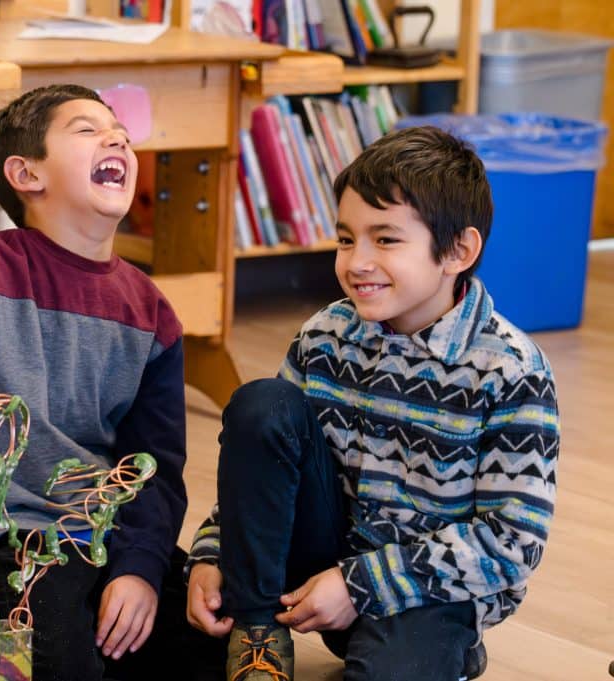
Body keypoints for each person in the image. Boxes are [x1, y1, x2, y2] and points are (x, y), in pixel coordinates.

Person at [0, 83, 223, 681]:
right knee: (54, 668)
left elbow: (155, 464)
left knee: (212, 650)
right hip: (1, 531)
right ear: (25, 174)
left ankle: (62, 624)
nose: (117, 140)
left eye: (121, 135)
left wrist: (138, 570)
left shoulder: (151, 311)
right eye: (86, 129)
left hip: (96, 530)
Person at [185, 126, 560, 681]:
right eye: (345, 239)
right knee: (262, 404)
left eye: (384, 240)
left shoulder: (511, 370)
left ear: (458, 250)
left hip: (427, 592)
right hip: (319, 563)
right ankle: (259, 632)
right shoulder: (324, 335)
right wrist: (214, 553)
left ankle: (449, 650)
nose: (356, 261)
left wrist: (361, 586)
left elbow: (511, 542)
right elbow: (264, 471)